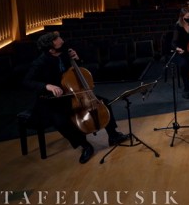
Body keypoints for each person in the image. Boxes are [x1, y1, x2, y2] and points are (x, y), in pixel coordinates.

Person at [23, 32, 128, 164]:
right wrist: (47, 86)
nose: (62, 40)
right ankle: (84, 145)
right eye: (58, 40)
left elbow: (76, 72)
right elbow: (27, 81)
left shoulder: (66, 53)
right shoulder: (40, 62)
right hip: (54, 98)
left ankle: (113, 135)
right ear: (51, 48)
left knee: (104, 102)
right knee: (61, 121)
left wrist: (77, 60)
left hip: (74, 93)